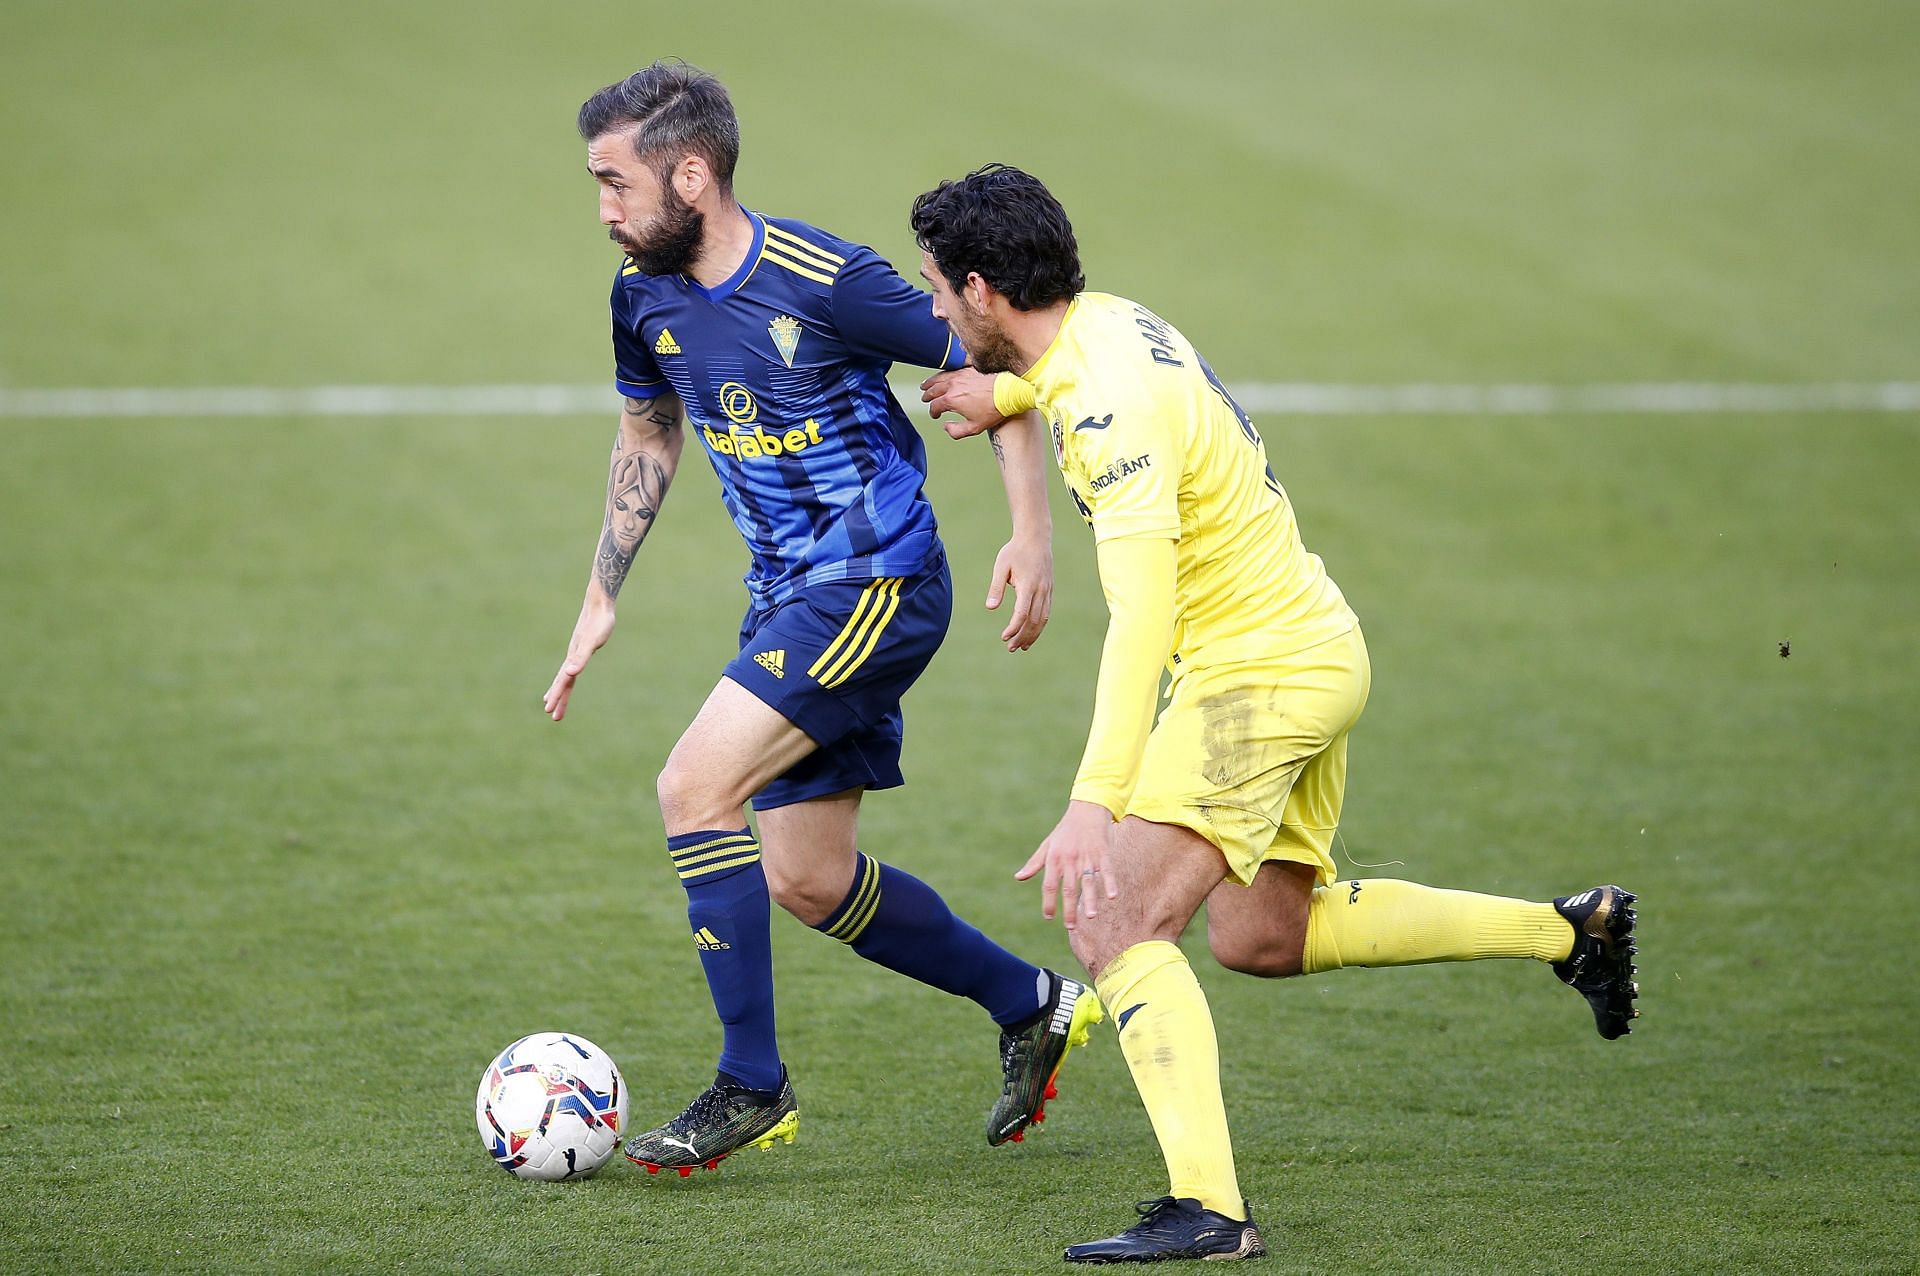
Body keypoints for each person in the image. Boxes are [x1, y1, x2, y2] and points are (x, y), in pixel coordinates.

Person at [912, 164, 1639, 1263]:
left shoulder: (1108, 414)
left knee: (1113, 922)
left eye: (937, 288)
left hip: (1255, 677)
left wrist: (1094, 801)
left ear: (982, 288)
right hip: (1315, 645)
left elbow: (1140, 621)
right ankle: (1569, 931)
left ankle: (1209, 1210)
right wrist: (1005, 396)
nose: (931, 310)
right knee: (1264, 936)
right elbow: (1068, 381)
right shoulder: (1105, 324)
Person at [544, 68, 1101, 1176]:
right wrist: (603, 590)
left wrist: (1031, 533)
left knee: (693, 789)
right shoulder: (640, 293)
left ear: (690, 175)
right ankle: (1032, 1002)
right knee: (806, 877)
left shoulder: (826, 280)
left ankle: (751, 1083)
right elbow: (650, 429)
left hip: (875, 580)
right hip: (784, 593)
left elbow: (994, 360)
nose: (603, 209)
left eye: (616, 183)